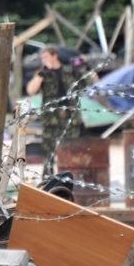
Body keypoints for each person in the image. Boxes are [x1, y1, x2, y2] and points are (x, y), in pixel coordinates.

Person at [26, 45, 89, 176]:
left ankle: (71, 181)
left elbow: (89, 83)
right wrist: (42, 72)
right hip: (51, 121)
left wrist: (84, 66)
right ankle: (48, 183)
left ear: (55, 56)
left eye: (46, 57)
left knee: (71, 155)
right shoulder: (43, 73)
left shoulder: (70, 71)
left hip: (70, 121)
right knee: (48, 158)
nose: (43, 60)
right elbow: (31, 90)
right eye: (42, 57)